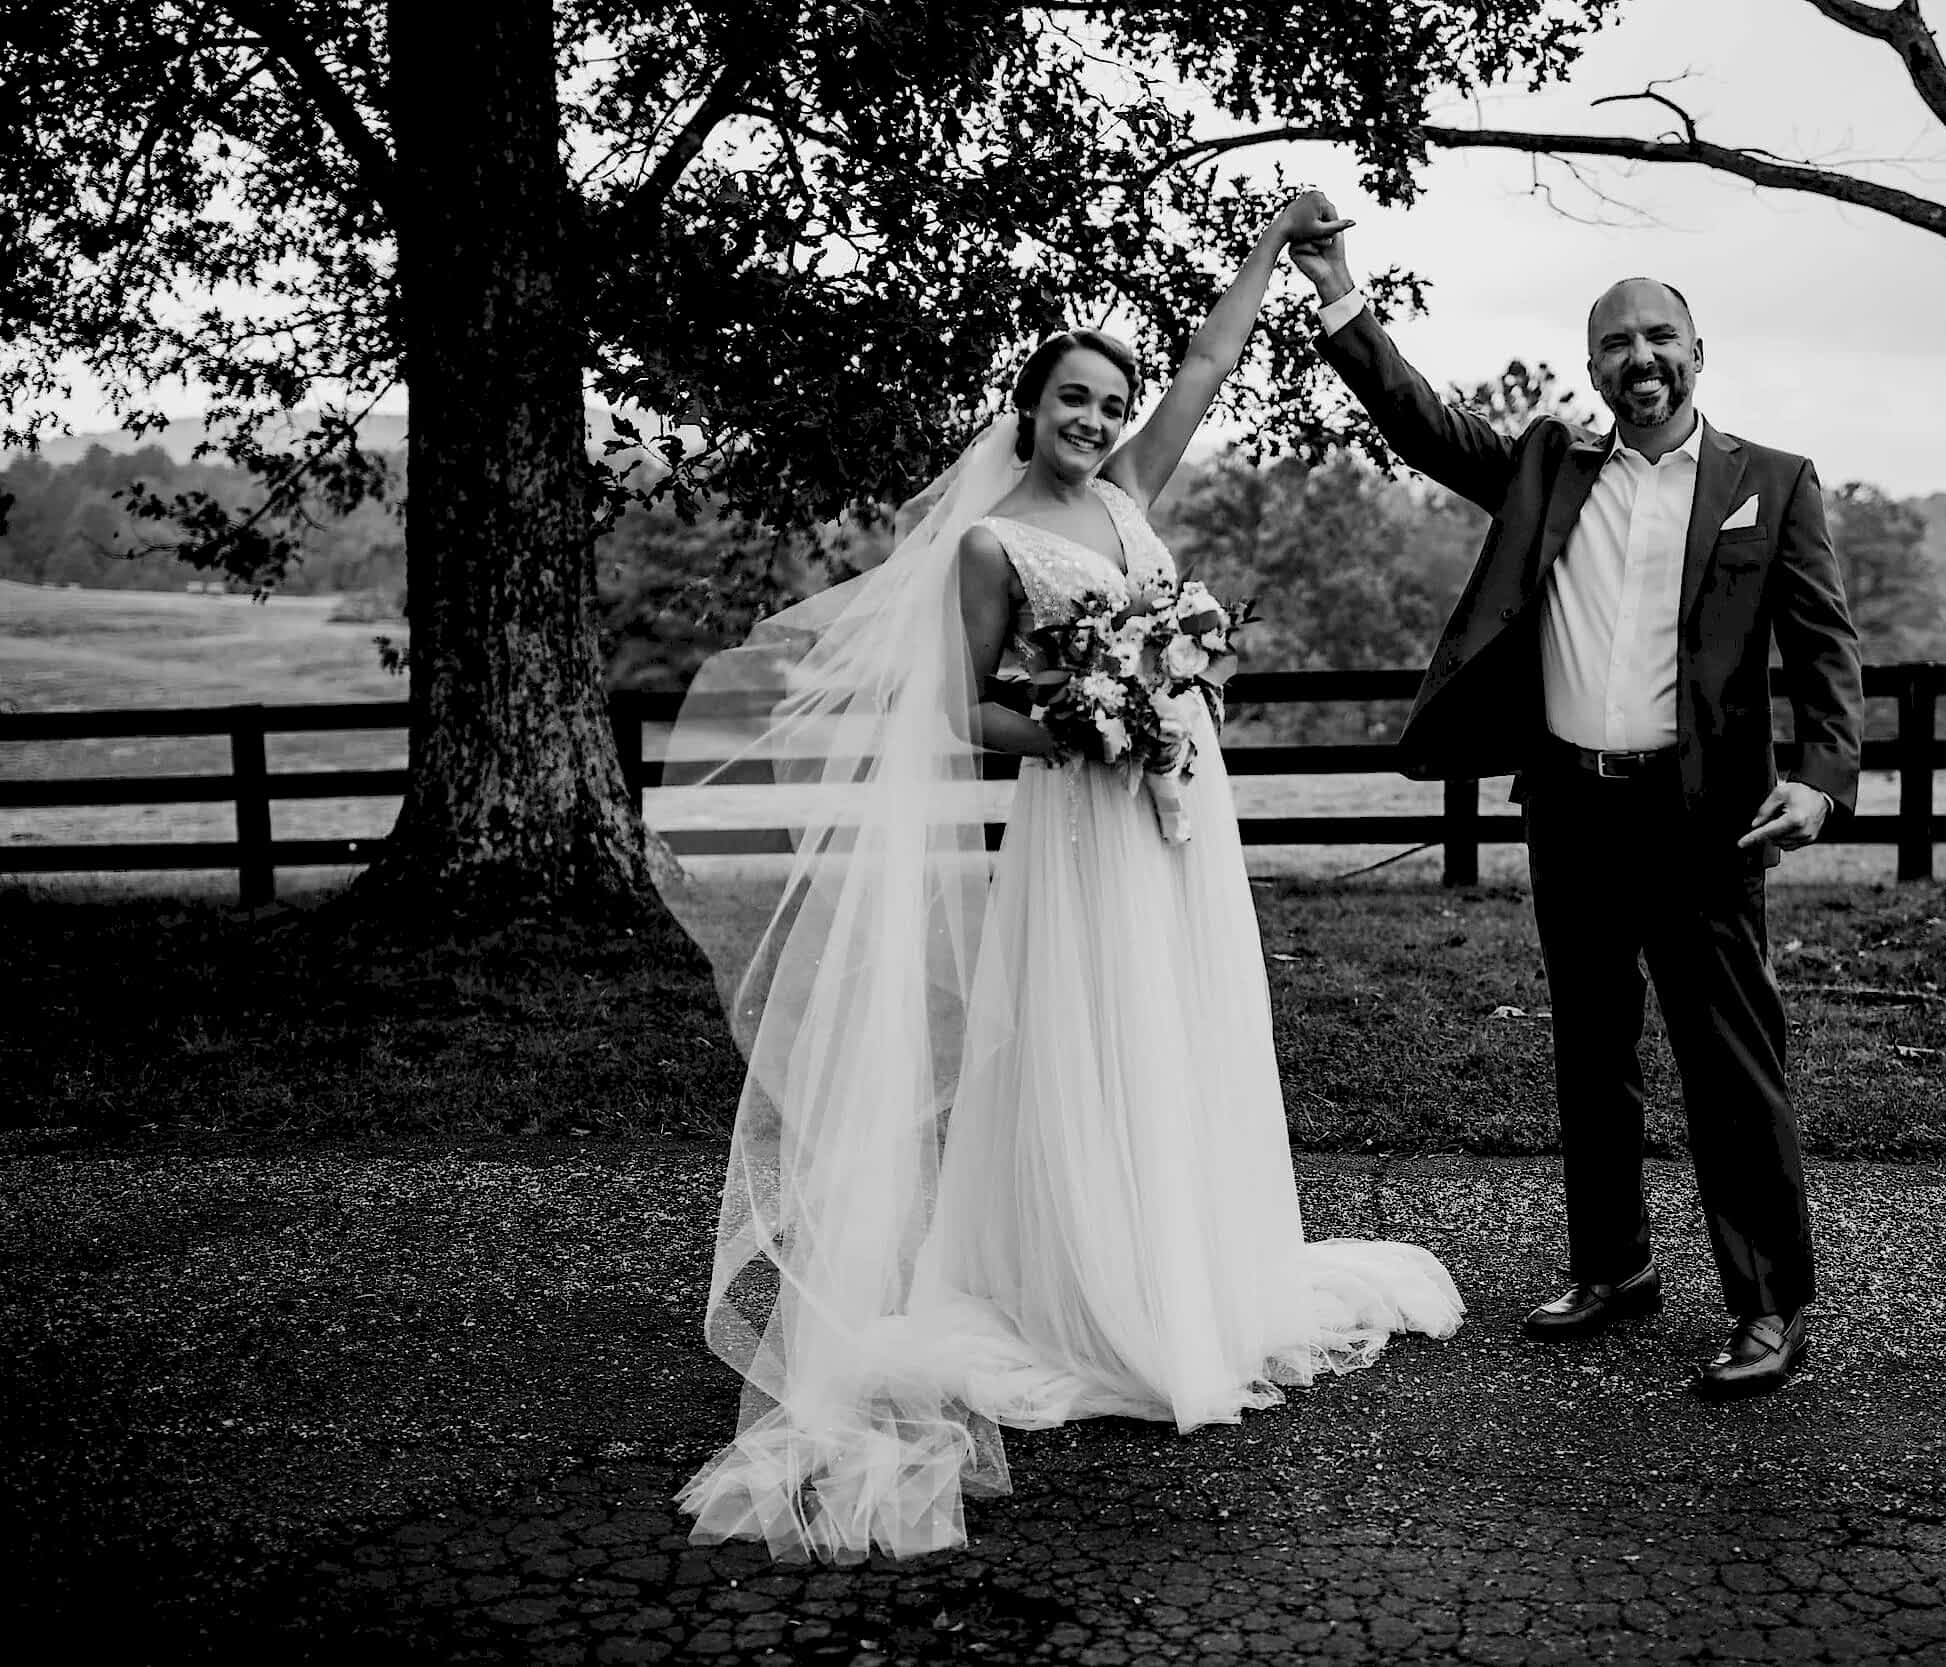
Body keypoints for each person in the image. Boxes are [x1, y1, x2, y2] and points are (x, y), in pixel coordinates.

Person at [660, 194, 1463, 1564]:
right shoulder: (990, 545)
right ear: (1025, 410)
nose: (1097, 419)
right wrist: (1083, 724)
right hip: (1082, 817)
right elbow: (957, 707)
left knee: (1186, 1026)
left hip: (1180, 818)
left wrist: (1270, 253)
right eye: (1074, 400)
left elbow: (1208, 367)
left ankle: (1187, 1261)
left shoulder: (1128, 496)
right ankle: (1085, 1287)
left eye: (1111, 401)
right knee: (1094, 1032)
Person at [1285, 193, 1862, 1398]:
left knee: (1729, 1063)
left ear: (1697, 355)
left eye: (1659, 339)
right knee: (1590, 1052)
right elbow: (1421, 421)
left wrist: (1819, 777)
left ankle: (1768, 1302)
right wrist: (1337, 287)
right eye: (1614, 343)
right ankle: (1614, 1267)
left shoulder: (1775, 482)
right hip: (1572, 809)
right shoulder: (1550, 467)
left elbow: (1824, 650)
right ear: (1591, 363)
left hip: (1703, 821)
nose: (1638, 360)